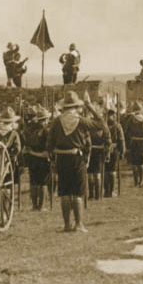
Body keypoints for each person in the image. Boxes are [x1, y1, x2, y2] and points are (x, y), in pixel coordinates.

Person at [47, 91, 92, 233]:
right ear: (76, 106)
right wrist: (87, 157)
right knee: (77, 192)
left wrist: (53, 160)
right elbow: (88, 143)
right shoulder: (82, 121)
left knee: (65, 193)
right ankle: (78, 224)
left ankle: (67, 225)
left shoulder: (56, 121)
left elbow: (49, 144)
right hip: (77, 158)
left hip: (61, 158)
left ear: (64, 107)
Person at [22, 104, 52, 211]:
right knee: (43, 182)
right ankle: (42, 206)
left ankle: (34, 206)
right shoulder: (46, 131)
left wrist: (31, 153)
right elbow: (48, 149)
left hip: (31, 159)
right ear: (45, 119)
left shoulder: (30, 129)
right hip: (43, 159)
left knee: (34, 182)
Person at [123, 101, 143, 186]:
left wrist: (128, 143)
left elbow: (126, 132)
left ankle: (136, 181)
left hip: (134, 143)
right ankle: (141, 181)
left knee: (135, 164)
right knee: (141, 163)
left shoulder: (130, 120)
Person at [104, 107, 125, 197]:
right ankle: (109, 191)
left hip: (110, 149)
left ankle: (109, 191)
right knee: (109, 171)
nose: (111, 117)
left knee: (109, 170)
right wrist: (122, 151)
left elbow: (121, 140)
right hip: (110, 149)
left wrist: (122, 150)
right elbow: (121, 140)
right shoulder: (116, 126)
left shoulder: (107, 125)